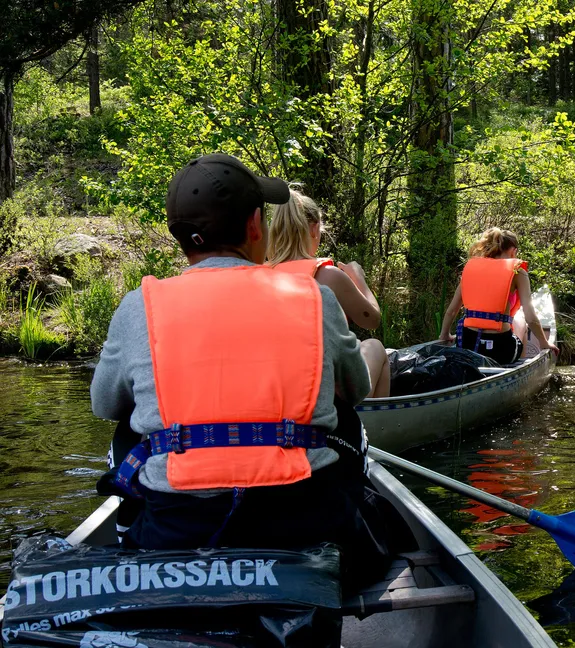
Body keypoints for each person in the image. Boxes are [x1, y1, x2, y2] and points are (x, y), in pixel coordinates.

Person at [91, 153, 408, 589]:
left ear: (179, 234)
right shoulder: (315, 298)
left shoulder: (137, 307)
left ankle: (131, 537)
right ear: (256, 225)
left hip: (179, 531)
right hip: (302, 522)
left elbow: (103, 402)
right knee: (344, 416)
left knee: (128, 423)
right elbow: (354, 389)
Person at [267, 187, 390, 398]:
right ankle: (371, 426)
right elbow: (372, 320)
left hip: (279, 388)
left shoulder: (260, 274)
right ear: (314, 229)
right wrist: (359, 278)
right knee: (375, 346)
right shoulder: (328, 276)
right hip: (324, 392)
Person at [438, 227, 558, 365]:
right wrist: (544, 343)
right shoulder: (517, 271)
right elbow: (531, 318)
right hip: (501, 351)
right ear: (514, 251)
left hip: (468, 346)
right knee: (520, 320)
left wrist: (444, 335)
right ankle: (519, 366)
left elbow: (451, 311)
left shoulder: (471, 269)